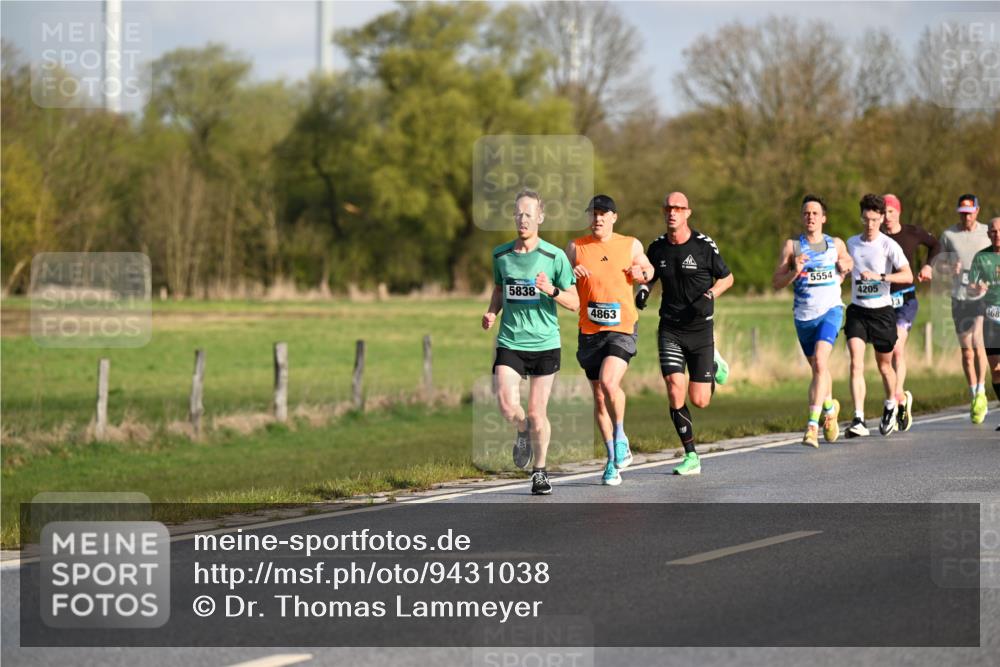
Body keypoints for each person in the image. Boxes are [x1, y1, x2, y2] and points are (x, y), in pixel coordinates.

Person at [483, 190, 579, 495]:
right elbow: (500, 290)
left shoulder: (555, 257)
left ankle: (539, 471)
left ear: (540, 217)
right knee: (507, 404)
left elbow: (575, 302)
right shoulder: (501, 255)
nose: (522, 219)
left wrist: (551, 290)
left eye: (528, 214)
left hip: (544, 343)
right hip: (510, 340)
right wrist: (491, 312)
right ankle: (521, 430)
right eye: (518, 214)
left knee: (538, 412)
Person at [637, 191, 734, 474]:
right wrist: (642, 291)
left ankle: (713, 362)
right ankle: (691, 455)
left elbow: (727, 278)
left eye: (678, 208)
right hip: (670, 328)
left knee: (700, 400)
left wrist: (711, 294)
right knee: (673, 387)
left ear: (687, 213)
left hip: (700, 329)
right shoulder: (656, 248)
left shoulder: (703, 246)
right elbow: (648, 278)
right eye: (668, 207)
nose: (672, 212)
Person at [567, 194, 654, 486]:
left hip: (622, 329)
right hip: (589, 332)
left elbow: (647, 268)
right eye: (593, 213)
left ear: (614, 217)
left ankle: (621, 435)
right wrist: (570, 272)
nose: (598, 219)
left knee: (608, 382)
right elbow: (561, 280)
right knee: (599, 397)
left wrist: (642, 272)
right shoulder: (576, 247)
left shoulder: (630, 244)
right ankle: (611, 461)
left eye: (603, 214)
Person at [771, 195, 853, 448]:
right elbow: (776, 283)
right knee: (819, 370)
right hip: (803, 316)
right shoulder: (792, 247)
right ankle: (830, 408)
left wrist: (845, 265)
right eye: (806, 213)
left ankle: (811, 426)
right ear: (802, 217)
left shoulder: (835, 243)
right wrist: (794, 271)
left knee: (820, 362)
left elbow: (848, 261)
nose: (810, 217)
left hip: (830, 310)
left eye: (815, 213)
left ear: (823, 218)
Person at [844, 194, 913, 437]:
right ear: (861, 217)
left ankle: (891, 405)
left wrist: (881, 277)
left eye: (874, 219)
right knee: (855, 362)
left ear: (882, 218)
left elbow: (908, 276)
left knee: (884, 366)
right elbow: (841, 269)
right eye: (866, 219)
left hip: (882, 313)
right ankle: (858, 418)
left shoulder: (888, 245)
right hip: (857, 311)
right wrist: (840, 271)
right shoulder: (851, 243)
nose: (870, 224)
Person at [881, 193, 939, 431]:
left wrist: (928, 265)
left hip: (906, 300)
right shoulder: (876, 237)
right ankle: (903, 398)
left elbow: (936, 244)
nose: (886, 216)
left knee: (896, 349)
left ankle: (894, 400)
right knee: (885, 355)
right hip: (882, 301)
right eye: (882, 212)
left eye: (890, 211)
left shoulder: (912, 232)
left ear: (898, 212)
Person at [939, 194, 991, 423]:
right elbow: (939, 263)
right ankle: (973, 394)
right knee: (966, 351)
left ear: (977, 211)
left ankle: (981, 392)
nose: (966, 216)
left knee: (978, 342)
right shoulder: (949, 235)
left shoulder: (987, 233)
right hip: (959, 296)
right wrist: (949, 266)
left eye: (969, 212)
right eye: (962, 212)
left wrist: (987, 280)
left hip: (982, 295)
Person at [967, 217, 1000, 430]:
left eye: (999, 230)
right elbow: (970, 286)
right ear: (988, 234)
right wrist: (976, 290)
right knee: (996, 369)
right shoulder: (982, 257)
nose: (996, 234)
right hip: (991, 317)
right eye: (992, 231)